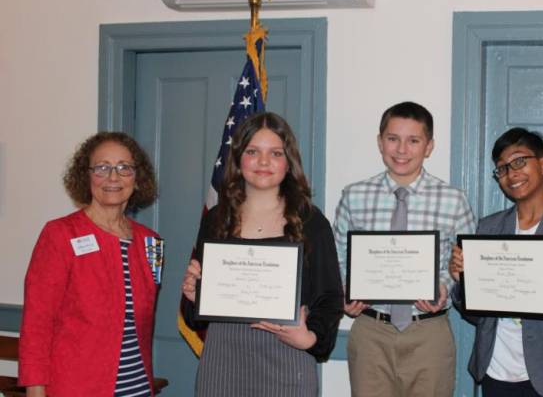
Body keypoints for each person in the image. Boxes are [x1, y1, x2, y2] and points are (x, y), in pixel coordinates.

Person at [180, 112, 343, 397]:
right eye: (253, 151)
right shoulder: (217, 218)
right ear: (238, 158)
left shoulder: (311, 221)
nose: (264, 162)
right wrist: (195, 297)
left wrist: (310, 338)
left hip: (288, 358)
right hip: (223, 359)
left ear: (288, 161)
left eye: (275, 153)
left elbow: (330, 296)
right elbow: (201, 303)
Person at [333, 101, 476, 396]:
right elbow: (339, 255)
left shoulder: (454, 200)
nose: (401, 150)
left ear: (429, 146)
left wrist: (445, 287)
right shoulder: (354, 196)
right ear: (379, 141)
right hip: (371, 330)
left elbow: (467, 264)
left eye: (413, 141)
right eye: (393, 139)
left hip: (428, 333)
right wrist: (346, 290)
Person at [18, 132, 161, 397]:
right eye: (102, 168)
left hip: (138, 388)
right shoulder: (60, 234)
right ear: (86, 176)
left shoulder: (152, 242)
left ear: (137, 179)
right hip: (77, 388)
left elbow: (143, 323)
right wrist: (35, 392)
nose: (113, 177)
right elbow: (36, 325)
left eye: (124, 168)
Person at [449, 127, 543, 397]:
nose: (511, 173)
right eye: (502, 169)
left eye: (520, 161)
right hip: (496, 371)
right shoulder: (487, 228)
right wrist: (462, 282)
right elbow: (475, 315)